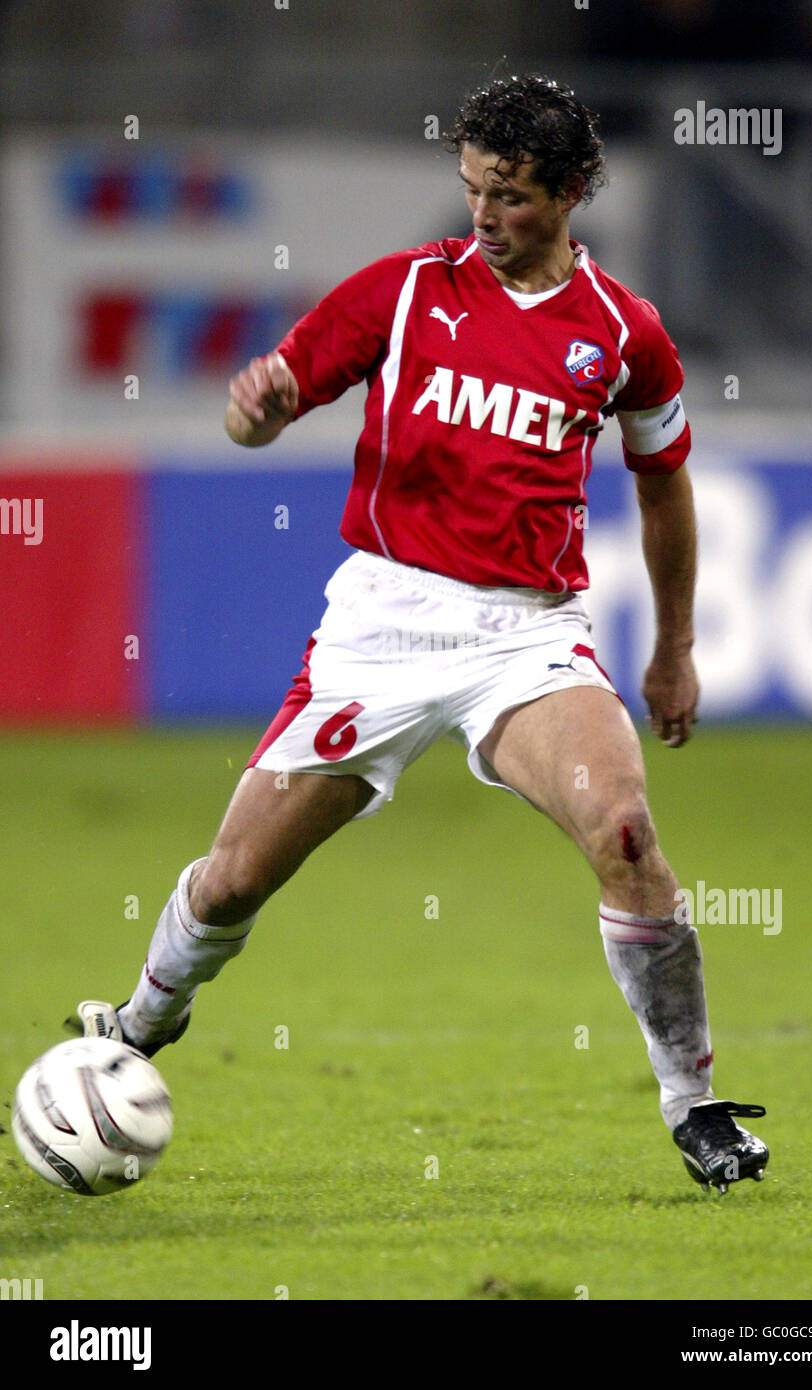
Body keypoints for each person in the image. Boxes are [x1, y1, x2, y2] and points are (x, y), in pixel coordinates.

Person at [73, 75, 767, 1193]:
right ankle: (146, 1018)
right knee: (233, 882)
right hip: (383, 623)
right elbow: (274, 394)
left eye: (511, 196)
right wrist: (250, 413)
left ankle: (693, 1103)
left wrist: (673, 646)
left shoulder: (624, 335)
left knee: (626, 832)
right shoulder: (402, 293)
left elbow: (664, 484)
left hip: (526, 637)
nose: (484, 217)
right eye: (471, 191)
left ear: (574, 191)